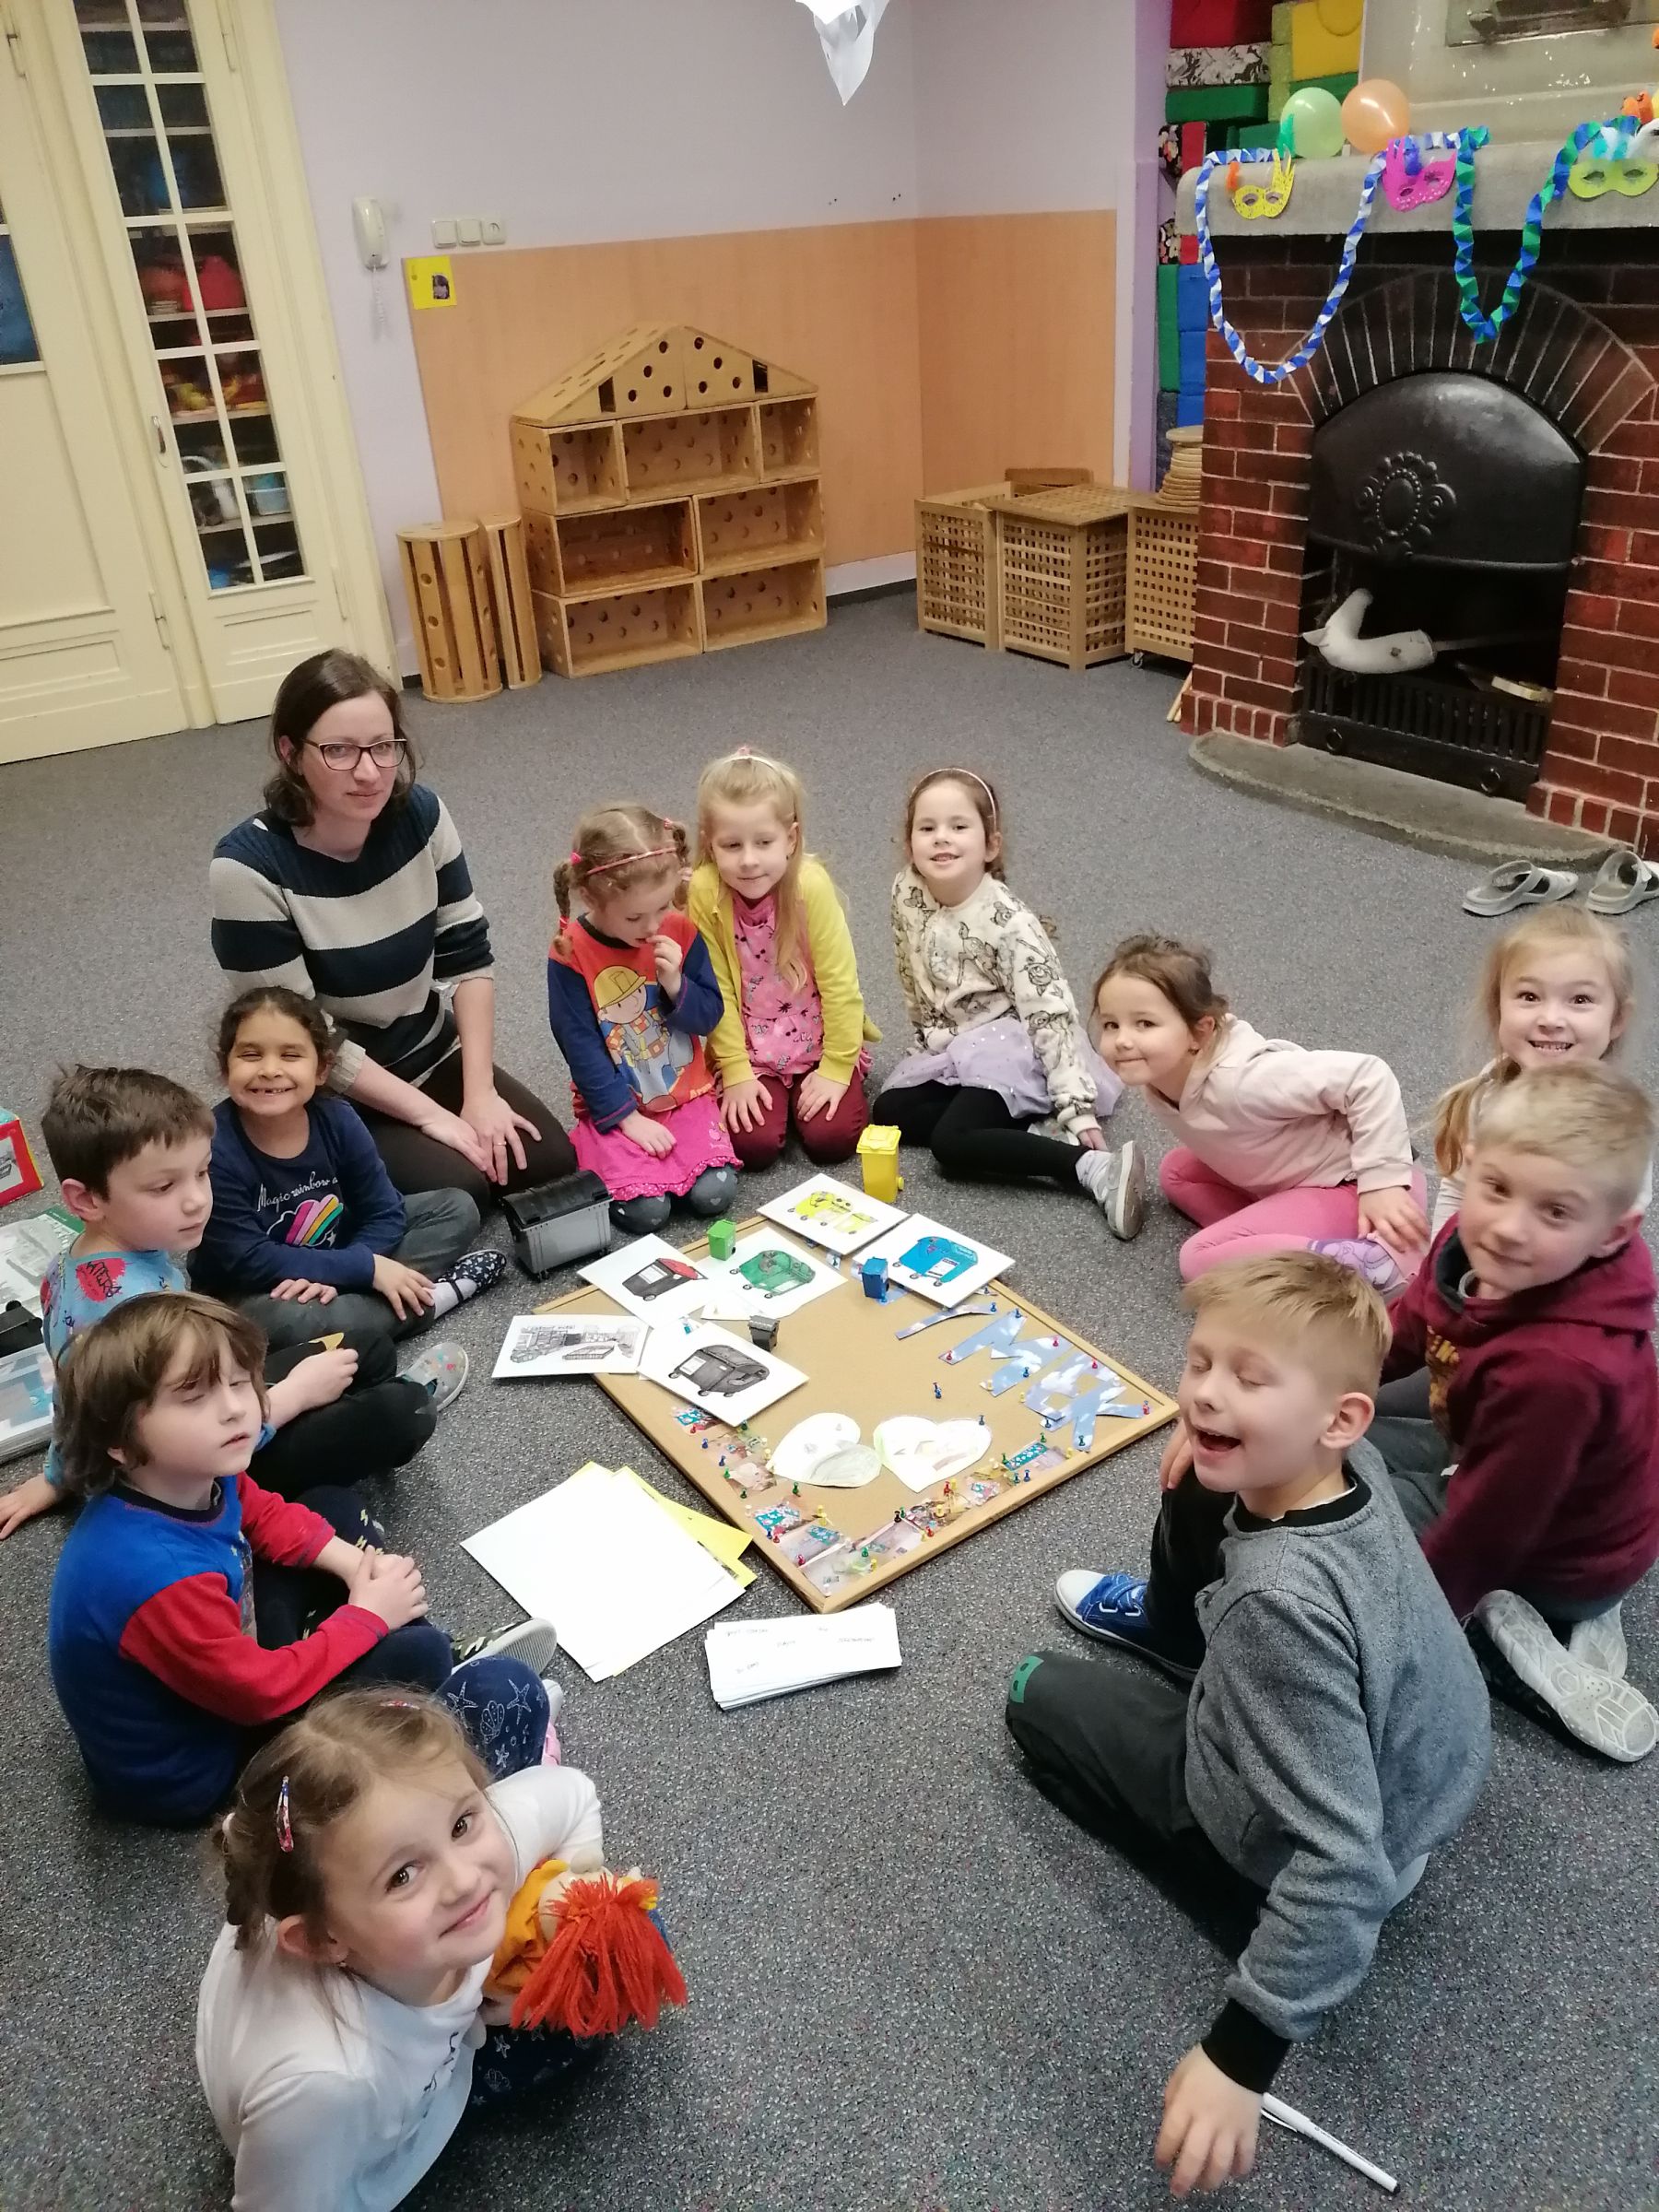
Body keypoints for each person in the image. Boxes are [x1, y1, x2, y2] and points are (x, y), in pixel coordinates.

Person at [1012, 1253, 1489, 2198]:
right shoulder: (1350, 1465)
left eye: (1248, 1379)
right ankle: (1176, 1634)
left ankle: (1244, 1896)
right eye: (1201, 1363)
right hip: (1418, 1776)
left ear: (1339, 1419)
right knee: (1198, 1487)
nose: (1205, 1393)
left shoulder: (1273, 1612)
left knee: (1034, 1694)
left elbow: (1341, 1863)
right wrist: (1220, 1447)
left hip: (1346, 1853)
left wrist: (1240, 2057)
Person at [46, 1291, 557, 1825]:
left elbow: (263, 1514)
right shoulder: (157, 1577)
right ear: (119, 1441)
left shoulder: (190, 1473)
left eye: (239, 1382)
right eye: (194, 1397)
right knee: (419, 1655)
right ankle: (435, 1673)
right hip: (208, 1767)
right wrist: (367, 1617)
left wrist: (353, 1568)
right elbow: (260, 1694)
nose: (235, 1408)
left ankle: (388, 1638)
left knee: (330, 1508)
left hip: (223, 1671)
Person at [0, 1066, 454, 1544]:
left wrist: (56, 1477)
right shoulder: (143, 1316)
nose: (197, 1201)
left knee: (367, 1349)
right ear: (87, 1199)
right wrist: (294, 1395)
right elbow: (205, 1443)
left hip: (199, 1395)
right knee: (402, 1412)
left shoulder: (67, 1266)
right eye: (164, 1187)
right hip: (195, 1475)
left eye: (202, 1173)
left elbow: (72, 1395)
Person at [198, 1692, 608, 2209]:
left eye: (462, 1823)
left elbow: (575, 1794)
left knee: (507, 1689)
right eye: (402, 1877)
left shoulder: (468, 1862)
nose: (465, 1881)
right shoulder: (328, 2087)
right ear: (323, 1941)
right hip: (354, 2137)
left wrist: (560, 1914)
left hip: (384, 1999)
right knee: (597, 2002)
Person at [210, 649, 575, 1209]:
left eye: (383, 747)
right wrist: (431, 1116)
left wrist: (479, 1093)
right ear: (290, 752)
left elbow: (469, 959)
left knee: (548, 1163)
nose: (369, 772)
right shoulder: (246, 869)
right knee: (464, 1186)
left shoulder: (422, 816)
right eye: (338, 751)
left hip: (427, 1047)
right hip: (330, 1082)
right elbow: (302, 1033)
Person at [1369, 1062, 1659, 1762]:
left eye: (1555, 1212)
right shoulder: (1467, 1242)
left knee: (1330, 1494)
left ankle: (1501, 1641)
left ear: (1614, 1233)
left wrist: (1421, 1626)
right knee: (1327, 1420)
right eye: (1496, 1188)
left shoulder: (1560, 1372)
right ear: (1472, 1167)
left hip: (1558, 1552)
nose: (1507, 1229)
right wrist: (1315, 1384)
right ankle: (1552, 1609)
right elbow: (1409, 1328)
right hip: (1544, 1480)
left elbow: (1490, 1524)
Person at [875, 768, 1141, 1236]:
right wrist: (924, 1038)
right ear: (909, 842)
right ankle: (1027, 1127)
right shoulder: (907, 891)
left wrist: (1075, 1105)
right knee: (889, 1113)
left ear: (990, 846)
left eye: (959, 826)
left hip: (1015, 1045)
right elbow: (909, 964)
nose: (942, 838)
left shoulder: (1010, 923)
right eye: (927, 827)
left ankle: (1091, 1168)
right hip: (956, 1043)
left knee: (950, 1144)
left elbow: (1051, 1013)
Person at [1093, 935, 1428, 1292]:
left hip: (1361, 1189)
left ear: (1199, 1033)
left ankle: (1365, 1265)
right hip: (1295, 1180)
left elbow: (1368, 1076)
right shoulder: (1159, 1077)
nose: (1122, 1040)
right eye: (1111, 1024)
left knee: (1198, 1258)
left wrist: (1382, 1183)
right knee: (1176, 1172)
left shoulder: (1243, 1080)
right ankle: (1277, 1241)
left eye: (1144, 1024)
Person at [192, 986, 506, 1349]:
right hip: (258, 1290)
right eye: (250, 1055)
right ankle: (430, 1299)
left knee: (455, 1207)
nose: (270, 1070)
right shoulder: (212, 1150)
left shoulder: (338, 1118)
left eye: (291, 1055)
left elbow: (384, 1212)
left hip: (340, 1249)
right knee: (287, 1324)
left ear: (322, 1069)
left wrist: (348, 1267)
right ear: (225, 1066)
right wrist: (364, 1269)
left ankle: (367, 1311)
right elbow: (248, 1260)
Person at [547, 803, 738, 1237]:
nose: (653, 926)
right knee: (646, 1213)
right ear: (591, 897)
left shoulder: (679, 930)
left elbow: (710, 1015)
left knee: (715, 1194)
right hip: (617, 1103)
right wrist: (626, 1119)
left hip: (684, 1094)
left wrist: (676, 985)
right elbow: (579, 1046)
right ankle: (599, 1149)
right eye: (635, 916)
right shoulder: (571, 952)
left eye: (661, 908)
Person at [687, 747, 878, 1170]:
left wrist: (836, 1068)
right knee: (751, 1147)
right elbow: (716, 988)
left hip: (817, 1037)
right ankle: (776, 1095)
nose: (749, 860)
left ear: (790, 839)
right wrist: (735, 1071)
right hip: (751, 1047)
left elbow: (841, 985)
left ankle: (823, 1083)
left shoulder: (810, 885)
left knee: (832, 1141)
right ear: (709, 844)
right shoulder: (703, 889)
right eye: (731, 845)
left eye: (764, 842)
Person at [1428, 906, 1641, 1239]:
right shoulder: (1487, 1096)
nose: (1551, 1019)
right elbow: (1457, 1192)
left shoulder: (1621, 1124)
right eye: (1529, 996)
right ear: (1498, 1008)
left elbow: (1617, 1228)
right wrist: (1440, 1257)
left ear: (1617, 1019)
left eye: (1580, 999)